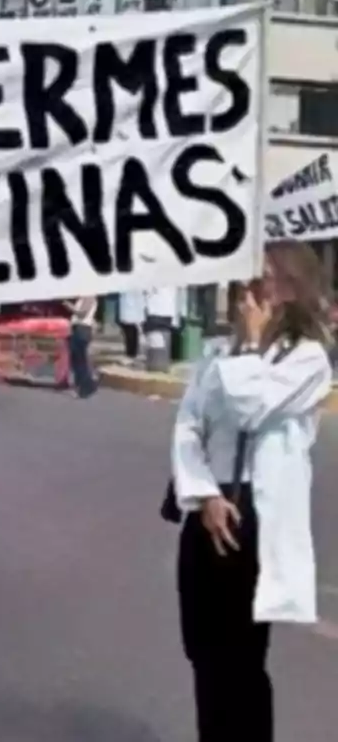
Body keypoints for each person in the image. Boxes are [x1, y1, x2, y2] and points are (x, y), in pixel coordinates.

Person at [172, 241, 332, 742]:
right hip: (209, 509)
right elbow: (188, 427)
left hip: (256, 518)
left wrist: (249, 345)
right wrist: (203, 494)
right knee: (202, 652)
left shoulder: (308, 361)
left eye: (262, 277)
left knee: (240, 660)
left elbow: (252, 407)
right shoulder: (218, 353)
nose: (249, 288)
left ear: (288, 289)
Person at [65, 294, 98, 398]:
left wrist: (70, 308)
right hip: (77, 328)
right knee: (76, 359)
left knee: (80, 360)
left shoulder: (89, 297)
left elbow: (82, 314)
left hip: (82, 329)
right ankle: (80, 386)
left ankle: (86, 387)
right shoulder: (82, 297)